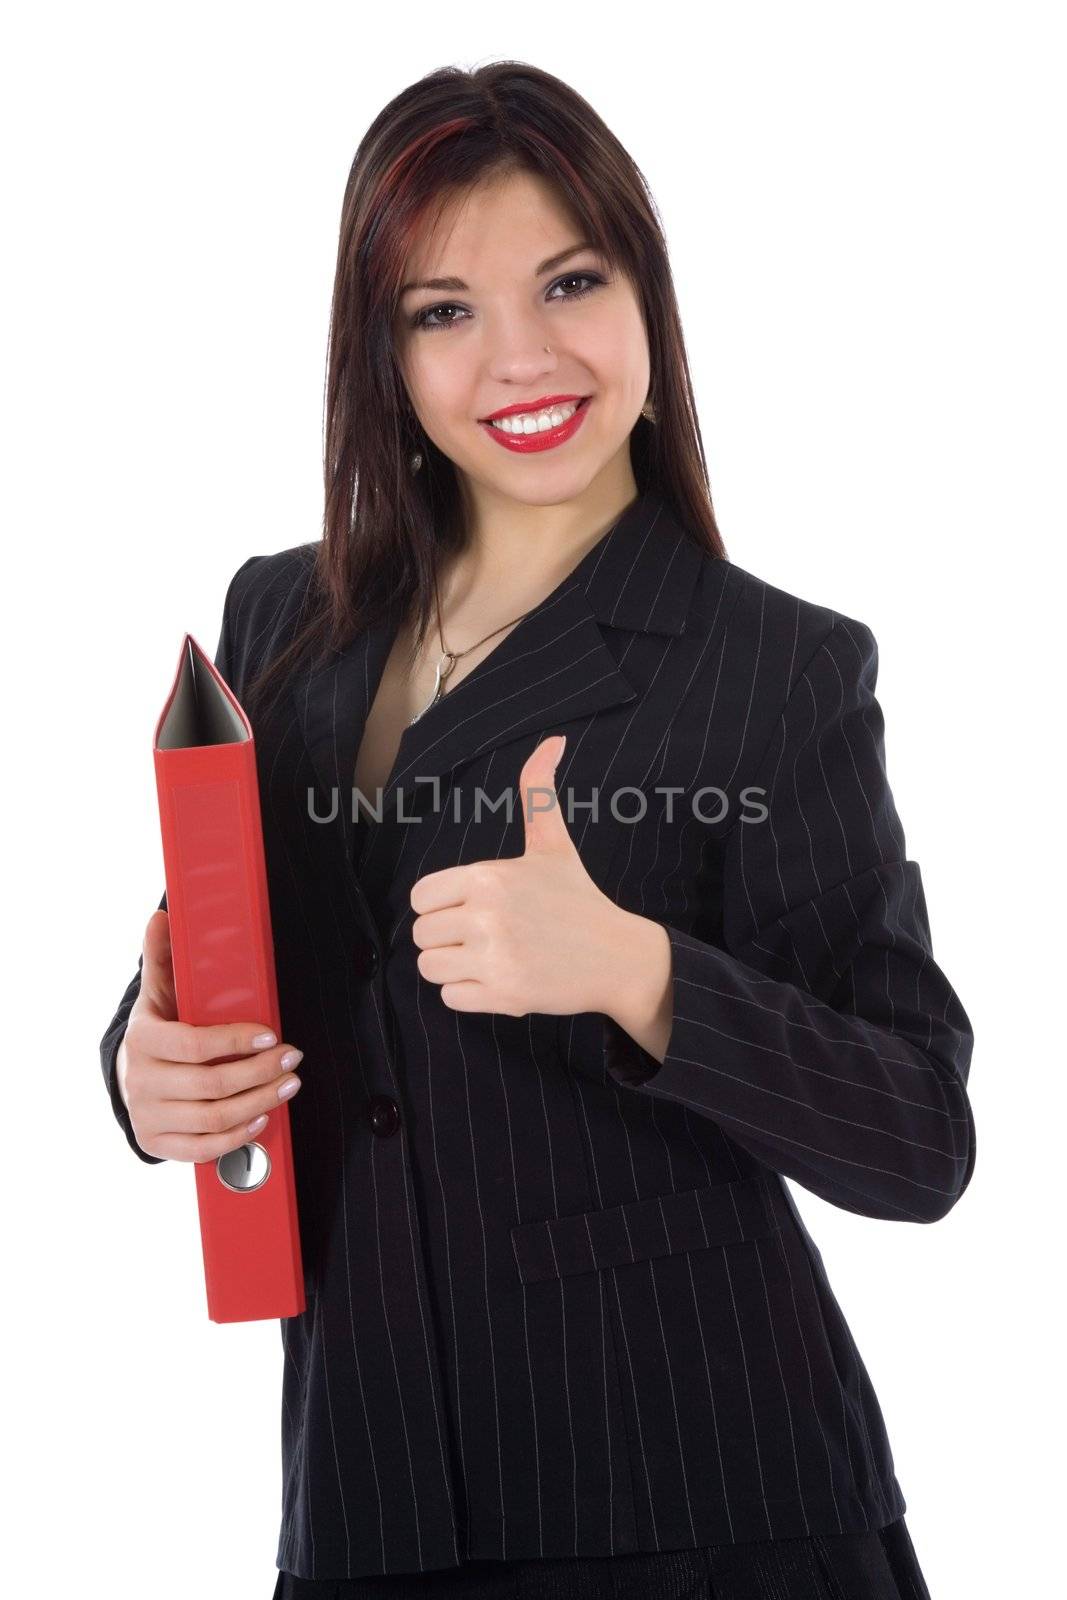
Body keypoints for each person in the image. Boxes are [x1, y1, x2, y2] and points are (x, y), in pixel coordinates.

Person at [99, 60, 975, 1600]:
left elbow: (919, 1134)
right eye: (443, 310)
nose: (522, 356)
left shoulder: (775, 669)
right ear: (382, 352)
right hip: (367, 1495)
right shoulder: (281, 620)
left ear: (648, 289)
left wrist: (640, 971)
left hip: (699, 1502)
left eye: (571, 280)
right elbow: (248, 957)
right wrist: (144, 1061)